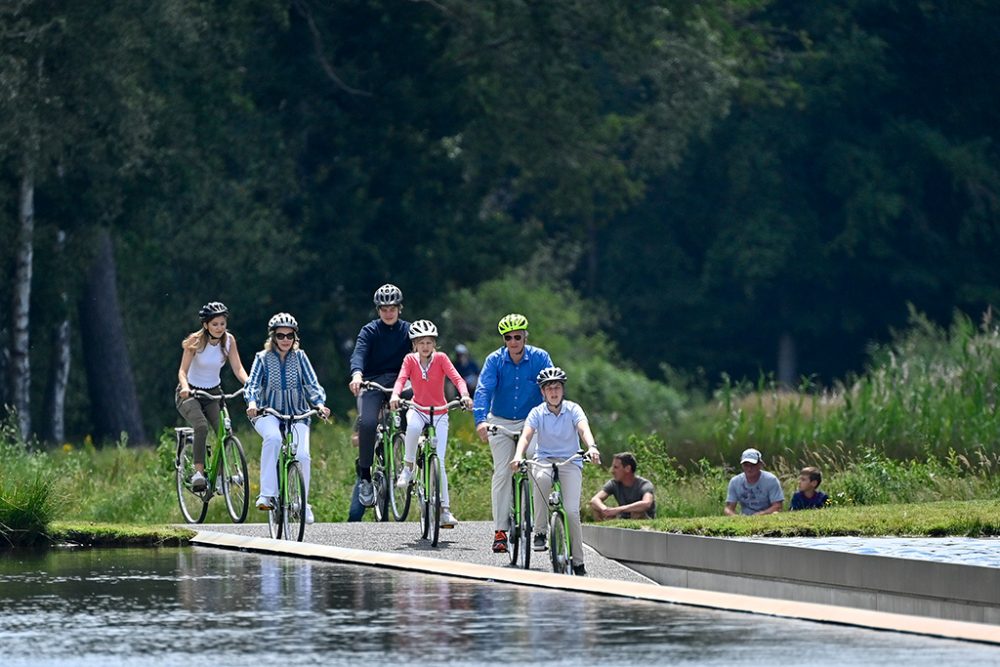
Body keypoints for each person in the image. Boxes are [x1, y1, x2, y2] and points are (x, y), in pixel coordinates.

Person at [473, 313, 553, 554]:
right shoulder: (494, 360)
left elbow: (550, 387)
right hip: (500, 421)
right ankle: (500, 531)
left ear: (525, 337)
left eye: (518, 337)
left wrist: (551, 418)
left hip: (531, 422)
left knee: (540, 470)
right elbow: (483, 390)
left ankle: (540, 530)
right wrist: (480, 421)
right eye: (508, 338)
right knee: (502, 471)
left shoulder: (540, 357)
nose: (513, 342)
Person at [510, 367, 601, 576]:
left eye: (557, 387)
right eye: (549, 388)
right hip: (545, 459)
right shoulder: (537, 413)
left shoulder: (573, 409)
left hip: (570, 461)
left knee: (571, 511)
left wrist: (592, 447)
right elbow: (526, 435)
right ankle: (540, 531)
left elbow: (583, 428)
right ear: (542, 392)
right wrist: (518, 455)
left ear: (563, 390)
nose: (554, 392)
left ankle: (578, 563)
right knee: (540, 479)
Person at [245, 312, 330, 524]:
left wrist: (319, 404)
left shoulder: (300, 357)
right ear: (273, 337)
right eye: (280, 335)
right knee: (273, 438)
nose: (285, 340)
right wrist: (252, 403)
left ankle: (303, 503)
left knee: (303, 456)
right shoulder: (262, 358)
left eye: (289, 336)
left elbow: (312, 384)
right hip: (268, 413)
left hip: (298, 414)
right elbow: (252, 385)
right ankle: (267, 495)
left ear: (295, 338)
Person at [389, 319, 473, 528]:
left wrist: (464, 395)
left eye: (429, 342)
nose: (425, 346)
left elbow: (457, 379)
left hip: (440, 413)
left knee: (440, 462)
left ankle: (444, 510)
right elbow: (401, 379)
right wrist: (395, 395)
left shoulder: (442, 359)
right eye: (421, 342)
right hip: (418, 409)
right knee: (414, 428)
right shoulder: (410, 360)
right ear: (414, 344)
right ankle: (408, 468)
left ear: (434, 343)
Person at [348, 283, 412, 508]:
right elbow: (359, 354)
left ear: (399, 308)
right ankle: (365, 475)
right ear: (378, 310)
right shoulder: (369, 330)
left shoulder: (408, 331)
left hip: (401, 380)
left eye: (392, 308)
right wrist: (357, 375)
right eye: (383, 309)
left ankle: (415, 453)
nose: (388, 313)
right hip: (373, 381)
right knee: (366, 423)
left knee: (416, 408)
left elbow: (422, 352)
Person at [176, 301, 249, 492]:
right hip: (191, 392)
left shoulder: (229, 341)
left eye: (222, 324)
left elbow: (238, 368)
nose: (219, 328)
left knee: (225, 432)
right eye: (215, 324)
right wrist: (184, 388)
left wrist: (250, 384)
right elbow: (182, 371)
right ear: (206, 324)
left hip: (213, 393)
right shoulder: (195, 341)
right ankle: (198, 474)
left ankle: (218, 478)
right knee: (200, 426)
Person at [589, 452, 656, 520]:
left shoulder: (644, 484)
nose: (612, 471)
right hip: (622, 518)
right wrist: (605, 510)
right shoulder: (614, 483)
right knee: (596, 508)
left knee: (636, 512)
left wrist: (618, 510)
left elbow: (647, 503)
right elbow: (594, 500)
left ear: (627, 469)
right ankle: (604, 529)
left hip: (644, 522)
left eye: (616, 467)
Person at [724, 448, 784, 516]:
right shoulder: (735, 482)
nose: (749, 469)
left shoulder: (771, 480)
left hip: (767, 516)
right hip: (745, 517)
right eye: (746, 465)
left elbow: (777, 506)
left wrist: (761, 514)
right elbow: (729, 508)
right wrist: (736, 517)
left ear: (760, 464)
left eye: (753, 465)